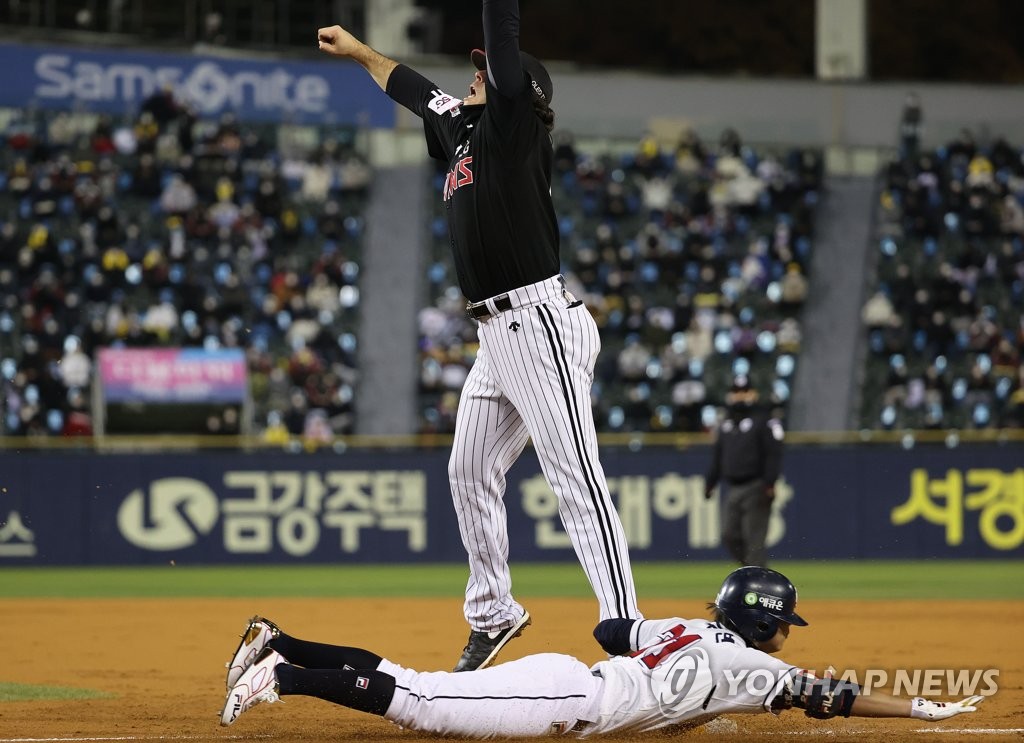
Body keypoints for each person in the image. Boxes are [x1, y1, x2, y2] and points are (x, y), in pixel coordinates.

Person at [316, 0, 642, 673]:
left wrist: (502, 38)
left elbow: (503, 32)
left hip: (540, 320)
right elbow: (412, 88)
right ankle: (494, 612)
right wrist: (357, 51)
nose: (474, 77)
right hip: (498, 332)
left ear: (521, 91)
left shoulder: (515, 126)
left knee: (574, 473)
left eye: (487, 72)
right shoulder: (464, 133)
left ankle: (625, 621)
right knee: (468, 470)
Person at [220, 567, 985, 735]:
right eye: (787, 622)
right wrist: (918, 705)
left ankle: (280, 638)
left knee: (415, 681)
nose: (791, 633)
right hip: (569, 701)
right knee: (420, 704)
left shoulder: (689, 628)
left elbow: (611, 632)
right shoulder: (756, 666)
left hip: (572, 675)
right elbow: (833, 697)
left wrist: (688, 698)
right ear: (764, 624)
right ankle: (282, 673)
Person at [704, 375, 784, 566]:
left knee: (754, 540)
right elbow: (718, 457)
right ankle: (752, 572)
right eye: (736, 392)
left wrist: (770, 482)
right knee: (729, 535)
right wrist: (710, 482)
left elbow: (773, 454)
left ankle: (758, 582)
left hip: (756, 486)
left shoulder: (764, 421)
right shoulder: (725, 424)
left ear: (753, 394)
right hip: (733, 488)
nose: (740, 396)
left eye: (744, 391)